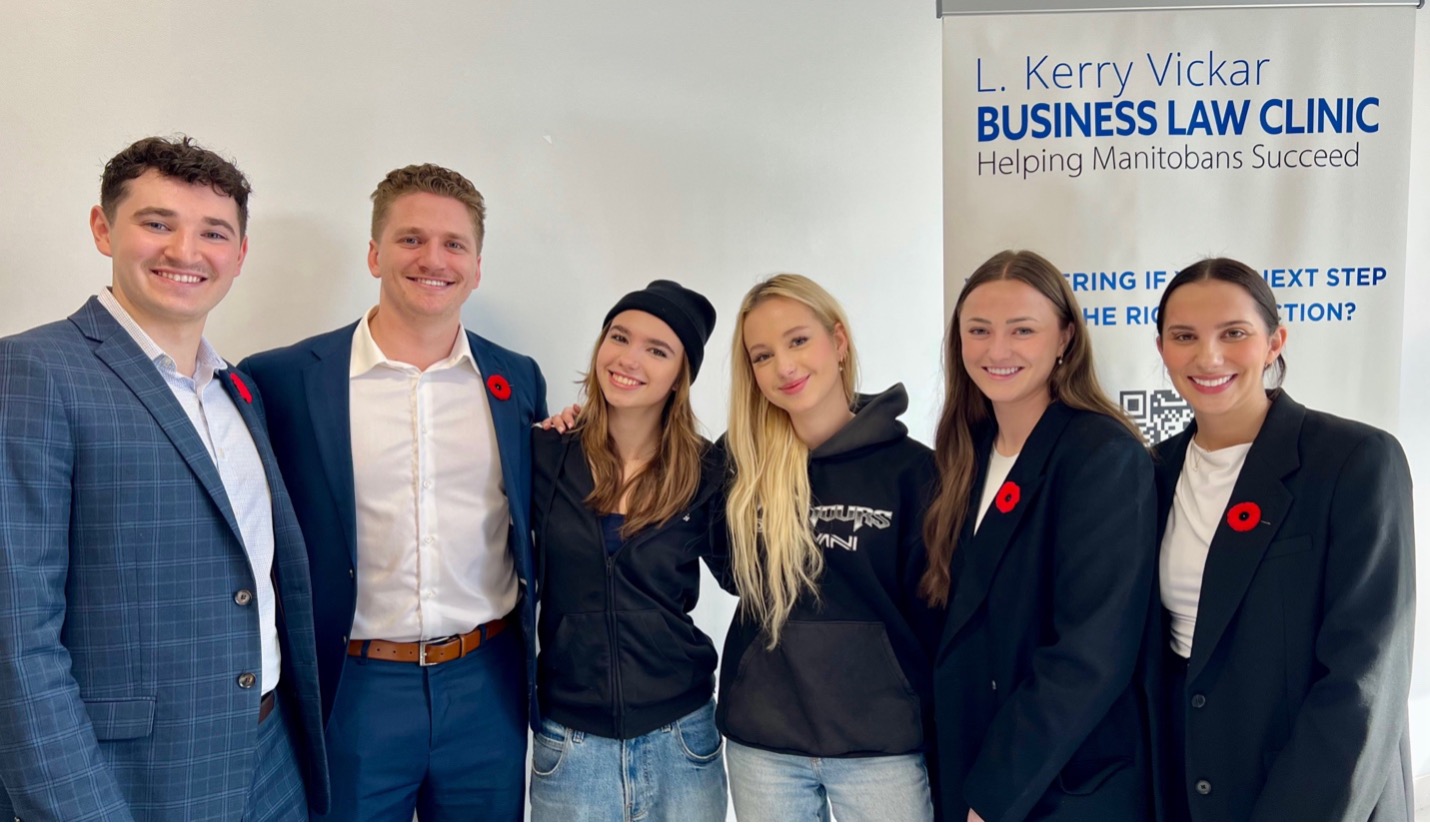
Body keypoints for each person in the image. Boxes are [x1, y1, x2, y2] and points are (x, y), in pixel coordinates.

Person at [0, 135, 328, 821]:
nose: (185, 251)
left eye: (213, 232)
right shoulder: (32, 373)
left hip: (272, 756)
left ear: (240, 254)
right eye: (157, 223)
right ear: (103, 228)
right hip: (135, 778)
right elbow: (15, 633)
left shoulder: (237, 388)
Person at [239, 164, 547, 821]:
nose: (433, 259)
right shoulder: (284, 379)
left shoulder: (517, 379)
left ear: (477, 267)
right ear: (375, 254)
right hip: (353, 687)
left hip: (486, 682)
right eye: (411, 239)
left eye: (454, 244)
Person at [1146, 257, 1414, 820]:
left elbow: (1364, 677)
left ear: (1274, 343)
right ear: (1162, 348)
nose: (1208, 357)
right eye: (1185, 336)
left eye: (1233, 333)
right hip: (1187, 789)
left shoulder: (1353, 460)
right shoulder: (1152, 472)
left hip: (1311, 791)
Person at [923, 249, 1154, 821]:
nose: (996, 350)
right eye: (979, 330)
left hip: (1055, 784)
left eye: (1022, 330)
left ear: (1065, 339)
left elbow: (1090, 654)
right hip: (971, 765)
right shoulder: (964, 453)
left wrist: (993, 796)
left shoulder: (1101, 455)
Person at [716, 274, 940, 822]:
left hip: (881, 744)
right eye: (762, 356)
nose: (784, 367)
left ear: (838, 342)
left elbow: (934, 612)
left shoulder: (915, 470)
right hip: (764, 743)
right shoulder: (740, 465)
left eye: (798, 341)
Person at [528, 280, 727, 822]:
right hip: (570, 742)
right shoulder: (545, 452)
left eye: (657, 350)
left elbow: (745, 578)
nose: (628, 359)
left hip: (682, 736)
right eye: (619, 337)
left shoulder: (707, 470)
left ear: (679, 376)